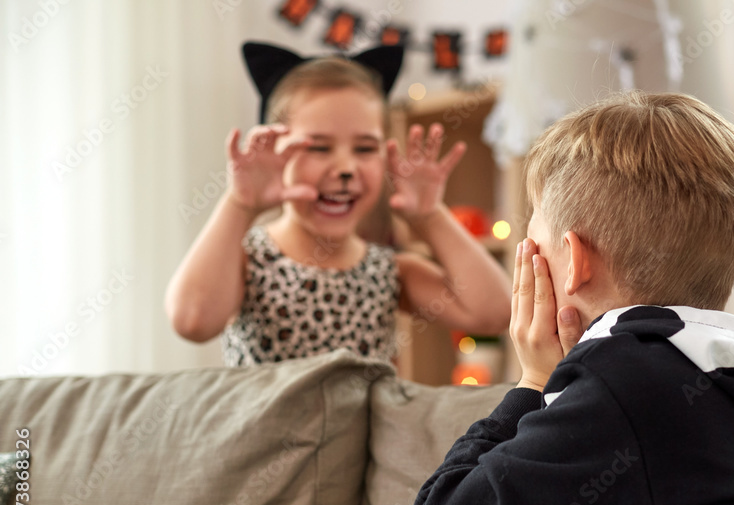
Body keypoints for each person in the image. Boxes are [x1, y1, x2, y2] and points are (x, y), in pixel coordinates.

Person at [237, 90, 734, 505]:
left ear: (572, 260)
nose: (528, 248)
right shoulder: (709, 386)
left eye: (535, 234)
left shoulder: (633, 385)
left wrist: (532, 379)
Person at [165, 43, 509, 365]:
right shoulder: (246, 259)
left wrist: (431, 217)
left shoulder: (391, 272)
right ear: (275, 151)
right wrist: (239, 205)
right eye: (318, 147)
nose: (345, 168)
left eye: (364, 148)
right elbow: (191, 320)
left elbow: (495, 313)